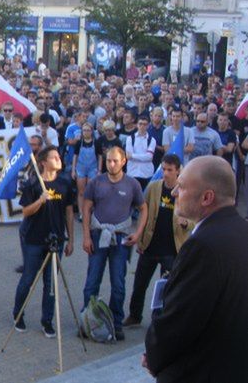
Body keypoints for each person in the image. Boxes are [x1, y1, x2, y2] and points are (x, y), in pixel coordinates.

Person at [144, 156, 248, 382]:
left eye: (181, 187)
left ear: (206, 198)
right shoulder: (241, 230)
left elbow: (179, 321)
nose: (174, 193)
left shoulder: (202, 245)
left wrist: (154, 357)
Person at [81, 146, 147, 341]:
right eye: (108, 161)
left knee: (118, 284)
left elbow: (143, 208)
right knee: (92, 282)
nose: (111, 164)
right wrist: (85, 236)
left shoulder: (132, 184)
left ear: (123, 161)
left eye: (115, 161)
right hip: (98, 235)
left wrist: (139, 233)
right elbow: (86, 208)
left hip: (120, 238)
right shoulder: (96, 182)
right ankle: (87, 321)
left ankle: (116, 323)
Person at [123, 154, 192, 327]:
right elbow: (144, 213)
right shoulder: (154, 187)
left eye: (170, 170)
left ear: (178, 171)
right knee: (139, 284)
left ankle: (159, 320)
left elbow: (194, 219)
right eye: (163, 169)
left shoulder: (186, 191)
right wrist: (140, 236)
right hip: (150, 246)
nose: (166, 173)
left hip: (171, 249)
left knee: (165, 288)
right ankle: (134, 315)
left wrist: (186, 223)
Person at [13, 146, 74, 337]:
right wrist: (40, 200)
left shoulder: (65, 183)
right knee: (28, 279)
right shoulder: (33, 184)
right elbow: (25, 212)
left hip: (55, 240)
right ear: (43, 162)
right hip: (33, 239)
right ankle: (18, 314)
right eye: (54, 157)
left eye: (59, 156)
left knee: (51, 283)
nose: (58, 159)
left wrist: (70, 238)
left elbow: (69, 212)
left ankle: (47, 320)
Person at [125, 115, 156, 191]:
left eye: (145, 124)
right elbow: (128, 157)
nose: (142, 126)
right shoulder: (130, 139)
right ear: (137, 125)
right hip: (132, 173)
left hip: (146, 174)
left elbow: (149, 157)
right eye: (140, 124)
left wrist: (133, 155)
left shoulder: (152, 140)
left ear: (148, 126)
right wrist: (143, 157)